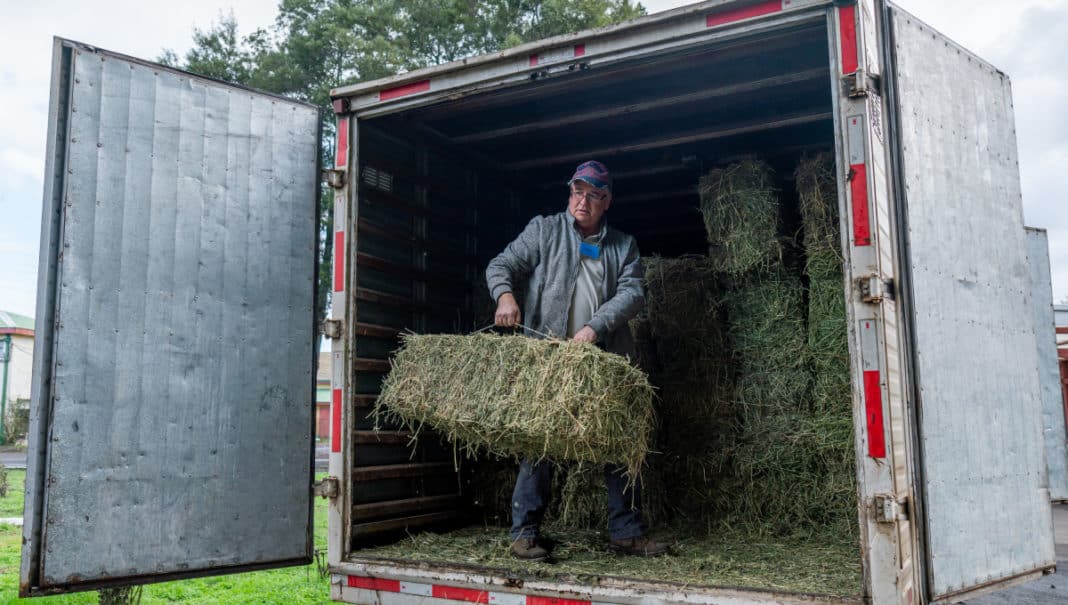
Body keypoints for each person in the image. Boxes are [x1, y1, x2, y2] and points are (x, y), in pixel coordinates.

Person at [485, 160, 668, 561]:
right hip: (549, 359)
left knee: (618, 442)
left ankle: (625, 533)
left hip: (602, 360)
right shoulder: (544, 230)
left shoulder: (623, 245)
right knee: (541, 442)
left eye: (594, 195)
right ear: (570, 194)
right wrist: (505, 295)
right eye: (577, 192)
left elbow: (632, 293)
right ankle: (524, 534)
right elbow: (502, 264)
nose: (583, 201)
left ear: (608, 201)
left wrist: (593, 329)